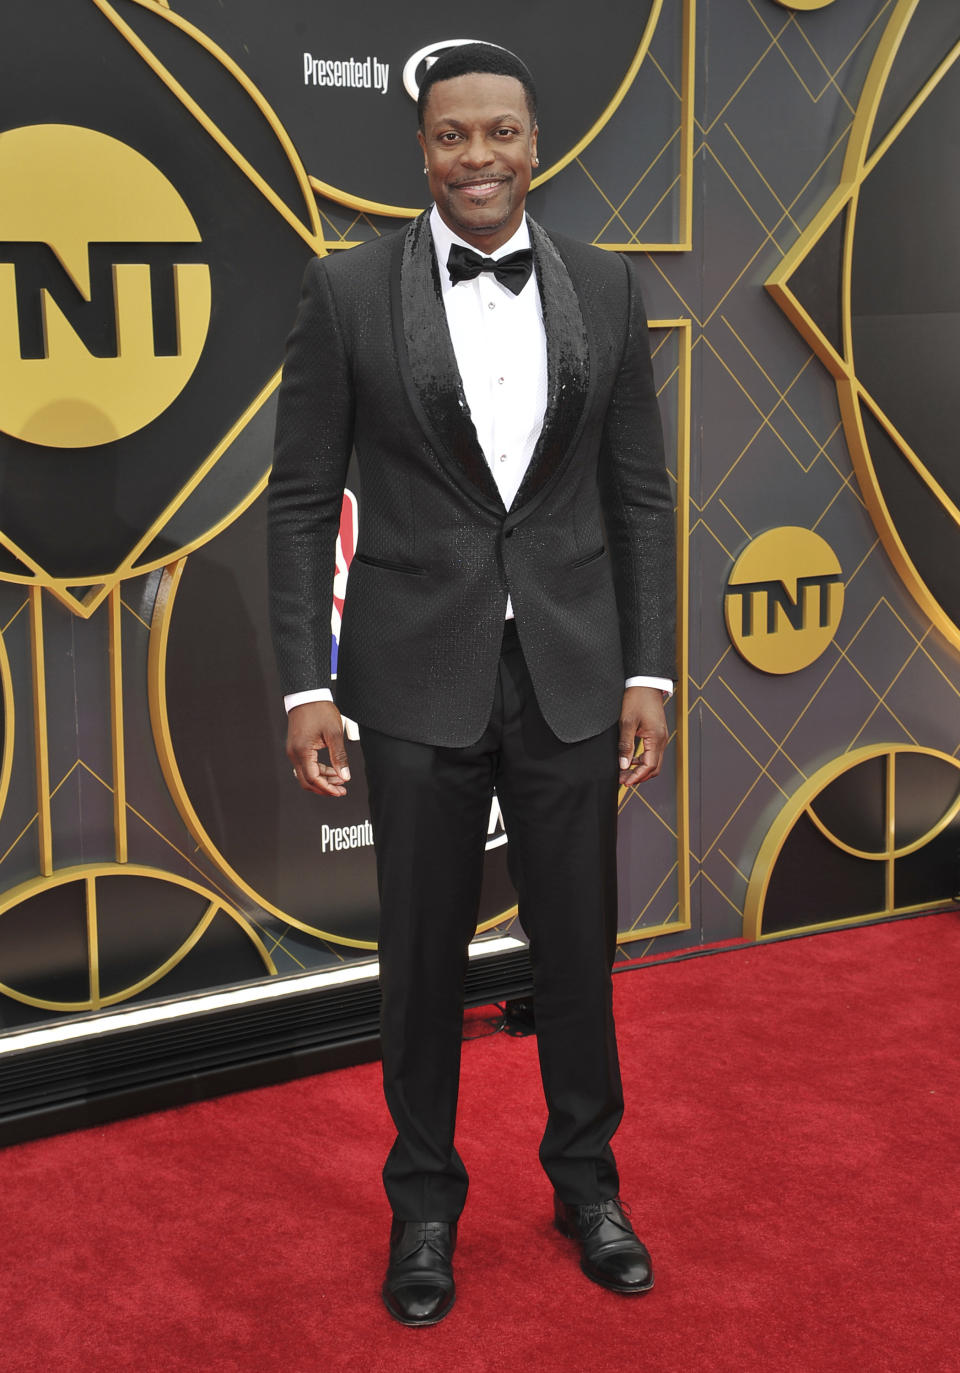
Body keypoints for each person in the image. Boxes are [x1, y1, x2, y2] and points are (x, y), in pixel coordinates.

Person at [267, 43, 676, 1327]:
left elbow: (641, 496)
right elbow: (293, 504)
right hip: (408, 675)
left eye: (501, 133)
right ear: (424, 151)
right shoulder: (345, 291)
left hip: (567, 672)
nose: (479, 157)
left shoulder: (609, 289)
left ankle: (587, 1184)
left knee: (579, 951)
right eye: (455, 137)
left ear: (535, 146)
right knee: (420, 958)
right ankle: (424, 1208)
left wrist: (648, 668)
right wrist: (302, 685)